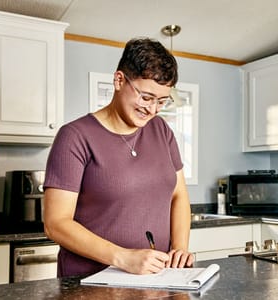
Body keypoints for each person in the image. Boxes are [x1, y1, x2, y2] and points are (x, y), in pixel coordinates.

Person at [43, 37, 194, 278]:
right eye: (146, 97)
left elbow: (179, 194)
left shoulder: (162, 130)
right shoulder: (75, 137)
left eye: (162, 101)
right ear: (119, 80)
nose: (153, 109)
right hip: (89, 282)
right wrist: (123, 257)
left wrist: (179, 247)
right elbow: (56, 223)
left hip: (156, 279)